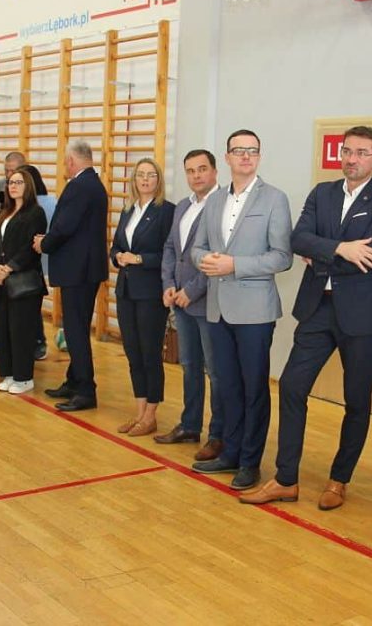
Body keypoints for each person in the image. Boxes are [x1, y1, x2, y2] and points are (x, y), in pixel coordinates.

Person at [241, 126, 372, 510]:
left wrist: (322, 253)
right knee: (292, 387)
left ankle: (339, 480)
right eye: (347, 151)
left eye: (361, 153)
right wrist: (342, 249)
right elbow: (298, 239)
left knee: (357, 401)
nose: (352, 159)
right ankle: (286, 479)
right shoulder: (321, 193)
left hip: (361, 317)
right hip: (318, 308)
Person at [190, 129, 292, 491]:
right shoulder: (215, 200)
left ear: (259, 157)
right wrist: (206, 260)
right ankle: (229, 453)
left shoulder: (275, 199)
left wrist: (234, 265)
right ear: (228, 157)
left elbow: (282, 257)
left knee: (253, 389)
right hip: (218, 308)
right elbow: (197, 248)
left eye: (252, 150)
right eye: (239, 150)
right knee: (228, 387)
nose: (246, 156)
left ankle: (250, 462)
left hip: (255, 312)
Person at [155, 149, 224, 461]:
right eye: (190, 171)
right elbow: (171, 248)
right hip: (180, 301)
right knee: (189, 366)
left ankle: (218, 434)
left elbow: (218, 257)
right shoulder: (183, 206)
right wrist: (169, 284)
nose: (196, 176)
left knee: (215, 371)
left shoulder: (222, 205)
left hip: (207, 302)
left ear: (215, 171)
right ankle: (190, 425)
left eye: (202, 169)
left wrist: (191, 291)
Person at [33, 140, 108, 412]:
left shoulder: (79, 186)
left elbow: (65, 226)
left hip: (78, 270)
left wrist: (44, 243)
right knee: (77, 328)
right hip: (85, 269)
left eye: (66, 161)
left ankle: (86, 390)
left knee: (75, 331)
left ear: (72, 161)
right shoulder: (94, 184)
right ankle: (74, 380)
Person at [110, 158, 175, 436]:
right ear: (134, 180)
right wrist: (117, 257)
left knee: (150, 353)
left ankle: (151, 415)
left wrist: (139, 259)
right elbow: (115, 247)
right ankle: (139, 413)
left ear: (158, 180)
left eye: (151, 175)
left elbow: (169, 254)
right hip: (126, 290)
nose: (145, 179)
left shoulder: (166, 211)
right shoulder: (128, 210)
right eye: (140, 175)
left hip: (150, 293)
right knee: (133, 352)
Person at [0, 167, 47, 394]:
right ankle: (9, 373)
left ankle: (24, 378)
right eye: (10, 183)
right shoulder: (3, 212)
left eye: (18, 182)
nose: (13, 186)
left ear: (28, 186)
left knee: (20, 330)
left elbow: (31, 248)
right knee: (2, 329)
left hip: (22, 282)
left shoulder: (35, 213)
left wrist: (9, 268)